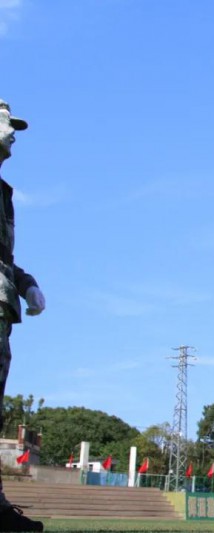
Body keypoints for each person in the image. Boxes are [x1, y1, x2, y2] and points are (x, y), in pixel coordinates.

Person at [0, 99, 46, 533]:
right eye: (6, 124)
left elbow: (3, 257)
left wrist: (26, 282)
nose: (13, 132)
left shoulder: (4, 192)